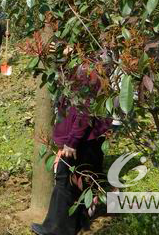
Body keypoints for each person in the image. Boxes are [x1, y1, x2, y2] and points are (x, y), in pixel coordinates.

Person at [31, 65, 112, 235]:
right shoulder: (71, 69)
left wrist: (72, 142)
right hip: (78, 138)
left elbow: (84, 111)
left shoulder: (88, 72)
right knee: (76, 182)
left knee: (65, 179)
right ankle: (74, 224)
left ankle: (56, 230)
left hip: (82, 140)